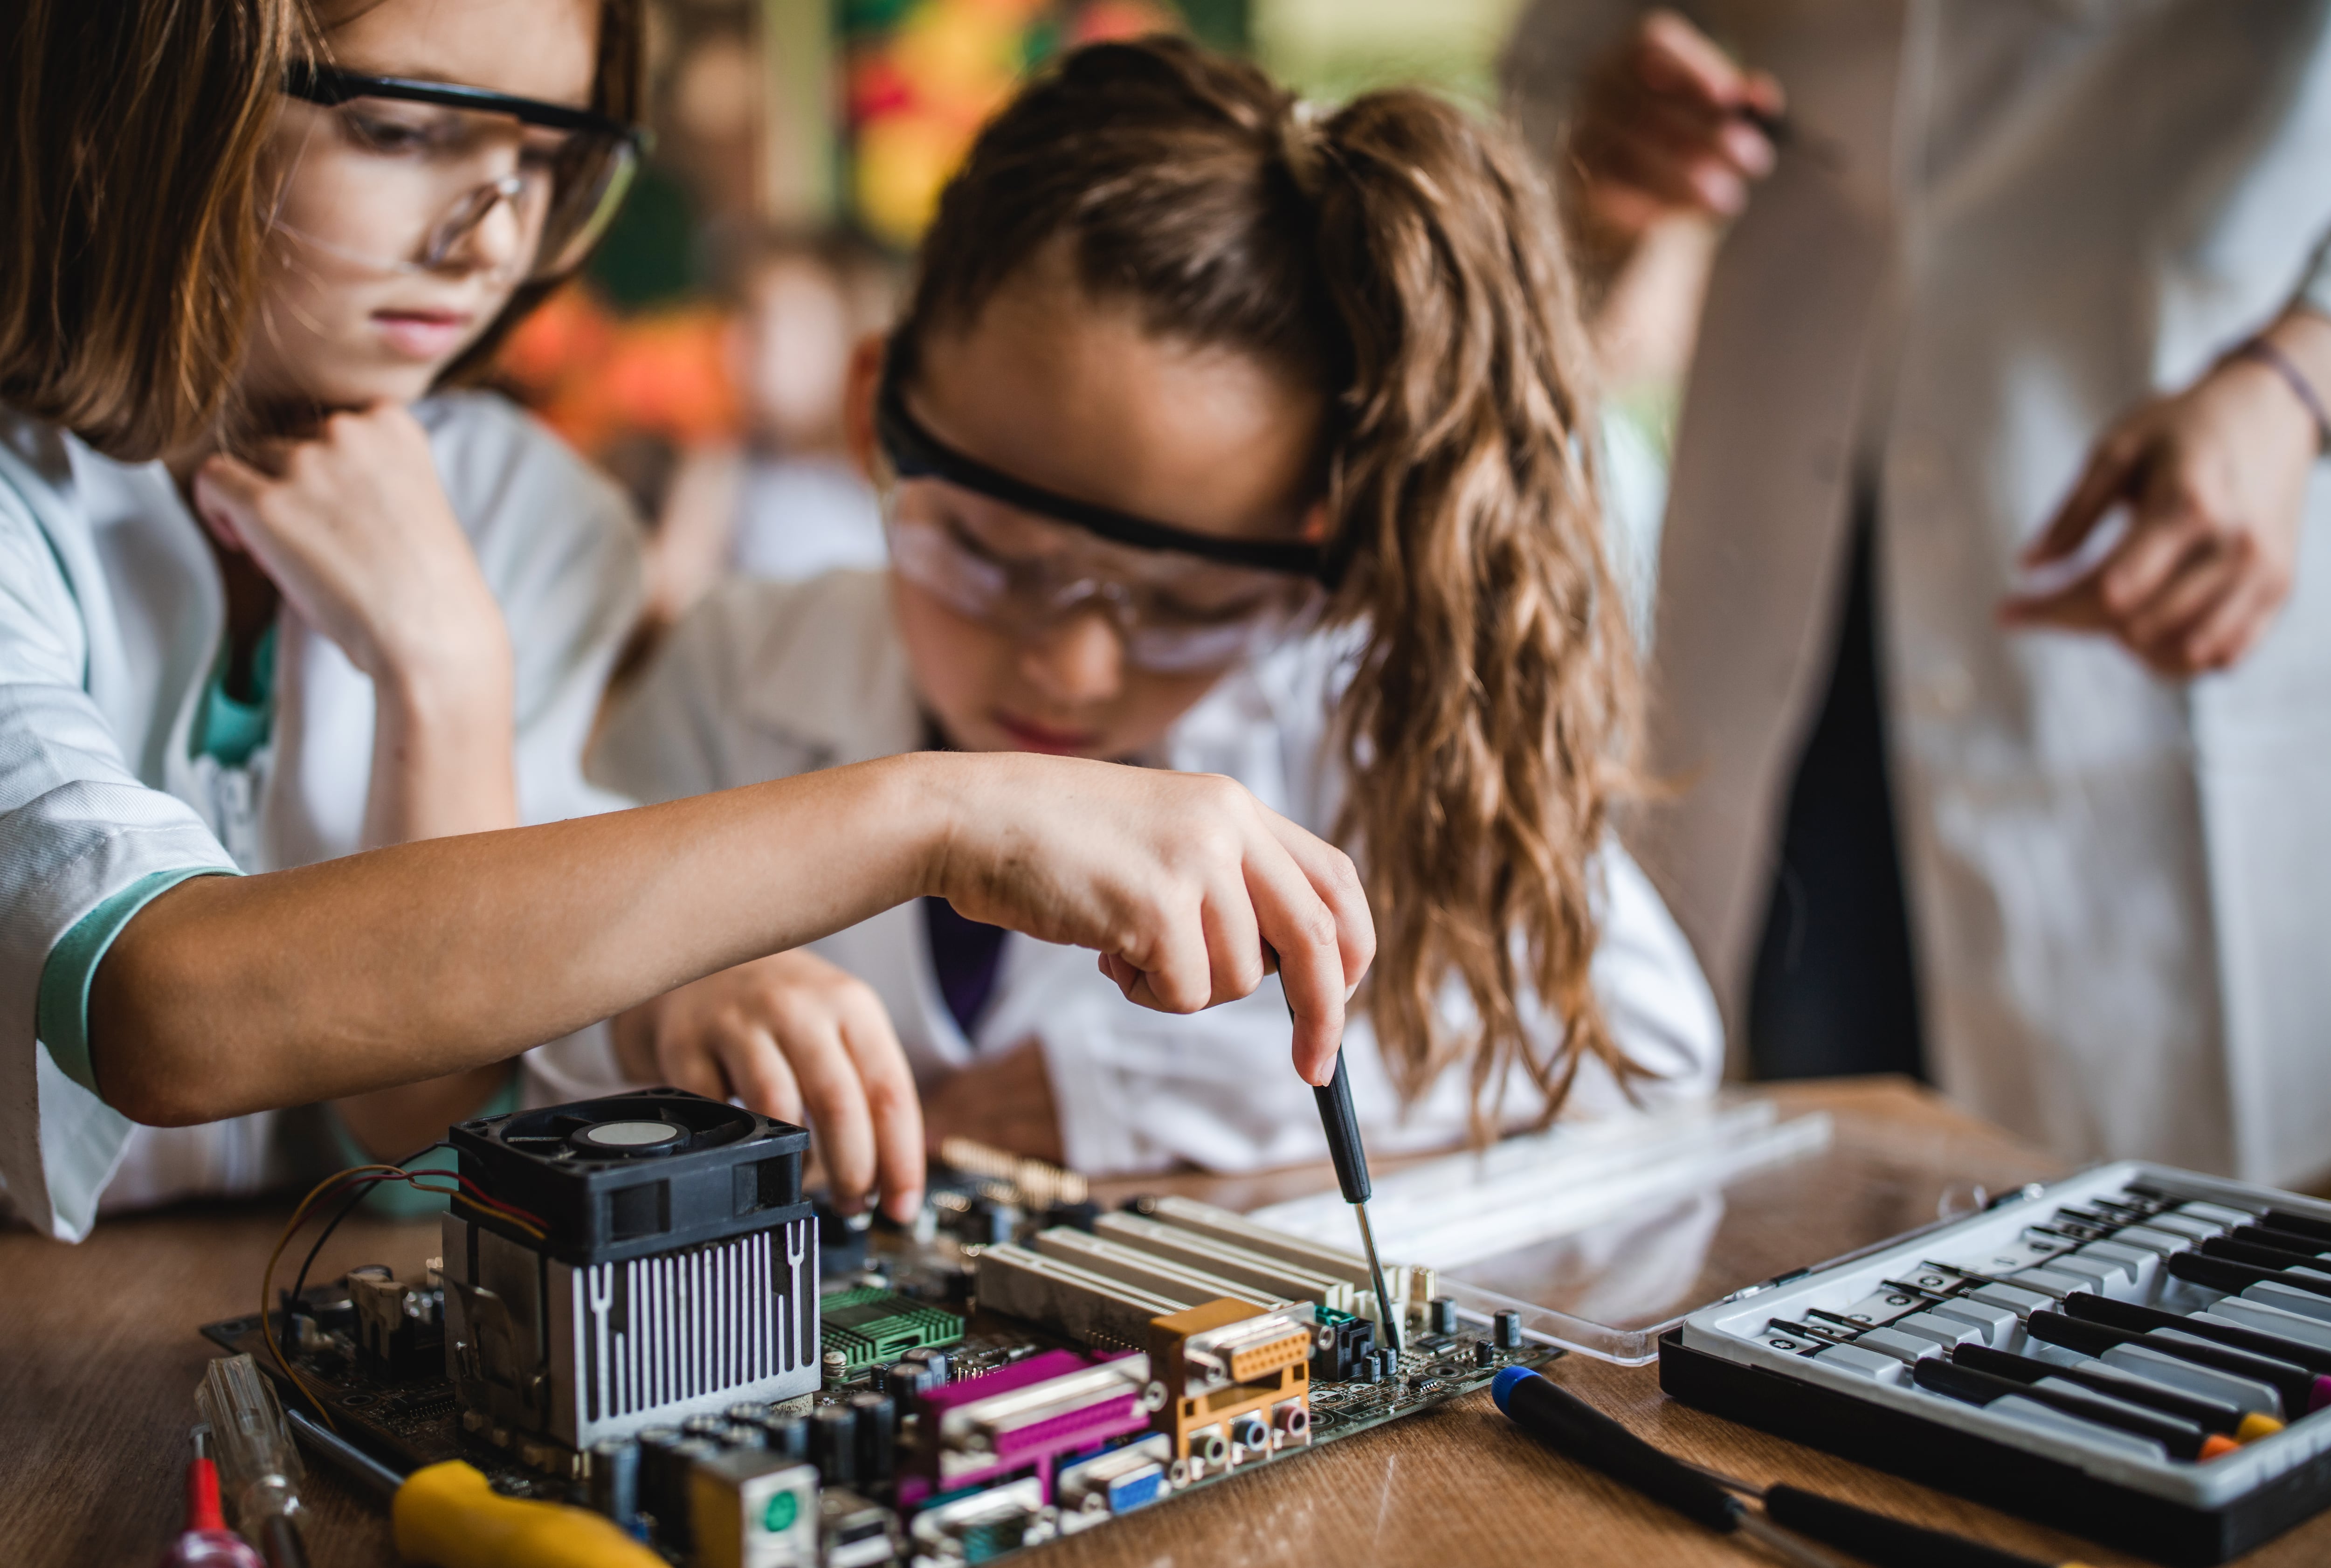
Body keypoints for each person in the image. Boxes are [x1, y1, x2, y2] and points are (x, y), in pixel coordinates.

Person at [0, 0, 1372, 1242]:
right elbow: (160, 1012)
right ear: (157, 76)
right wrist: (939, 816)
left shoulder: (525, 510)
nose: (492, 235)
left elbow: (422, 1133)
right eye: (399, 128)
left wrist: (454, 683)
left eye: (547, 158)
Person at [590, 39, 1723, 1179]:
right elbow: (522, 1035)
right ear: (872, 417)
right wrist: (668, 997)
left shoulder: (1341, 712)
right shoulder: (736, 667)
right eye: (990, 554)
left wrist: (1125, 1097)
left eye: (1195, 602)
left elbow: (1644, 1041)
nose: (1073, 667)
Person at [1503, 4, 2331, 1182]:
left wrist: (2303, 368)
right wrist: (1601, 139)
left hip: (2170, 503)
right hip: (1772, 583)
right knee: (1788, 1247)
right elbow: (1556, 64)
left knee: (2159, 1288)